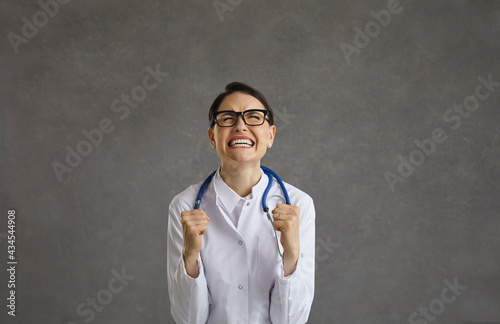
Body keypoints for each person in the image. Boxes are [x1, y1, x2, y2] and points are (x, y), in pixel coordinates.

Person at [167, 82, 315, 323]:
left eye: (254, 117)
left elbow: (291, 320)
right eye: (227, 118)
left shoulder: (298, 204)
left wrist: (291, 253)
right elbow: (188, 319)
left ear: (271, 135)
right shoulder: (184, 206)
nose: (241, 126)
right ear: (212, 137)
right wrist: (190, 255)